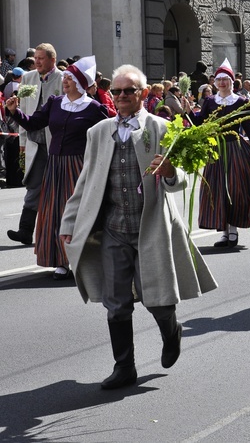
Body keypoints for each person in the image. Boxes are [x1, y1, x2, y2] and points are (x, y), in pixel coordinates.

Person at [59, 64, 217, 390]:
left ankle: (171, 330)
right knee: (116, 302)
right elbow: (86, 182)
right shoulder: (98, 132)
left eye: (128, 91)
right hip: (114, 228)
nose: (120, 97)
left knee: (156, 297)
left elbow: (181, 181)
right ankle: (124, 368)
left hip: (152, 226)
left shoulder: (162, 127)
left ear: (143, 93)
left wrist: (171, 170)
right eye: (115, 91)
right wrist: (69, 221)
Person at [5, 56, 108, 279]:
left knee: (78, 214)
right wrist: (15, 112)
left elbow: (108, 136)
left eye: (71, 78)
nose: (66, 81)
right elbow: (34, 124)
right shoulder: (54, 102)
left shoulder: (95, 109)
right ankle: (61, 260)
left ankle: (82, 259)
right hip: (55, 165)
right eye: (66, 77)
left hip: (79, 167)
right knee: (54, 213)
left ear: (81, 83)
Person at [192, 58, 250, 248]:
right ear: (215, 83)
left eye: (226, 80)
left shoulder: (240, 101)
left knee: (233, 189)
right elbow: (201, 124)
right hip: (215, 150)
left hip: (235, 148)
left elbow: (249, 127)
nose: (222, 83)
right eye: (219, 80)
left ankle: (233, 231)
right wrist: (189, 113)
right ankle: (225, 233)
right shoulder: (209, 101)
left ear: (232, 82)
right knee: (216, 191)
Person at [7, 43, 63, 245]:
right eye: (35, 58)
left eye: (41, 58)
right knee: (33, 185)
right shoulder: (28, 78)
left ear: (52, 60)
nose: (36, 61)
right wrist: (22, 141)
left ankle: (55, 233)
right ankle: (25, 231)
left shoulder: (63, 80)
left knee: (59, 189)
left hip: (57, 144)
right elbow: (23, 112)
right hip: (34, 142)